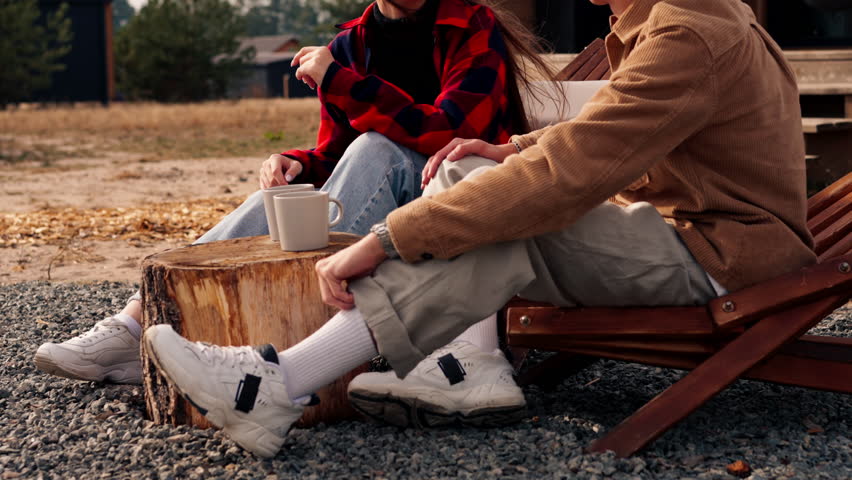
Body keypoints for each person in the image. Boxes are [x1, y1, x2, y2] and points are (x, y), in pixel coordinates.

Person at [146, 0, 816, 458]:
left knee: (496, 202)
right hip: (702, 235)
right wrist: (510, 149)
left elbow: (574, 170)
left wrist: (387, 238)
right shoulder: (691, 18)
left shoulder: (685, 36)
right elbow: (606, 132)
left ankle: (288, 381)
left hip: (721, 256)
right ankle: (450, 367)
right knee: (478, 174)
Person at [34, 0, 556, 428]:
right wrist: (294, 162)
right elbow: (334, 155)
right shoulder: (352, 44)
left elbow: (449, 130)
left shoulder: (470, 23)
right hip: (384, 206)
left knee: (376, 148)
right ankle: (135, 322)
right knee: (277, 199)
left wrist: (341, 82)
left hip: (459, 202)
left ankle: (278, 367)